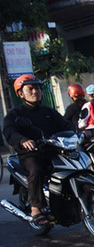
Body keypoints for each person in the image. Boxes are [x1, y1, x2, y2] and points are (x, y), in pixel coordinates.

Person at [2, 74, 76, 225]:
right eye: (30, 89)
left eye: (37, 88)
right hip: (30, 154)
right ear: (20, 93)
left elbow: (65, 124)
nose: (35, 91)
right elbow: (9, 131)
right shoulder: (15, 114)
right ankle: (35, 208)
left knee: (73, 164)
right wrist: (22, 140)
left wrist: (81, 131)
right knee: (35, 169)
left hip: (53, 150)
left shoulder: (49, 112)